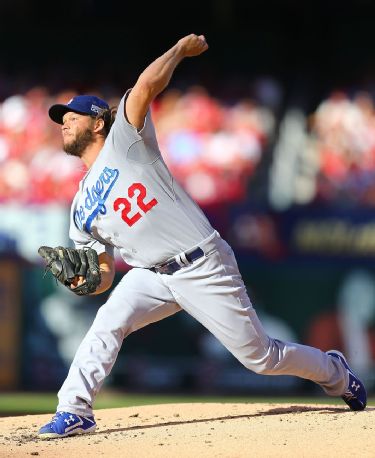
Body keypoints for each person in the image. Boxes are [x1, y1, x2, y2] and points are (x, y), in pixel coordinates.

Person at [38, 34, 367, 439]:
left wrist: (177, 52)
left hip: (201, 261)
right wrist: (83, 283)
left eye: (73, 114)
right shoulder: (80, 207)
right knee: (107, 320)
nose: (65, 120)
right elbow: (103, 274)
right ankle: (75, 409)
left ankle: (334, 370)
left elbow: (145, 86)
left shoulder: (127, 142)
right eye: (61, 117)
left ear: (99, 122)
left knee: (259, 357)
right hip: (151, 274)